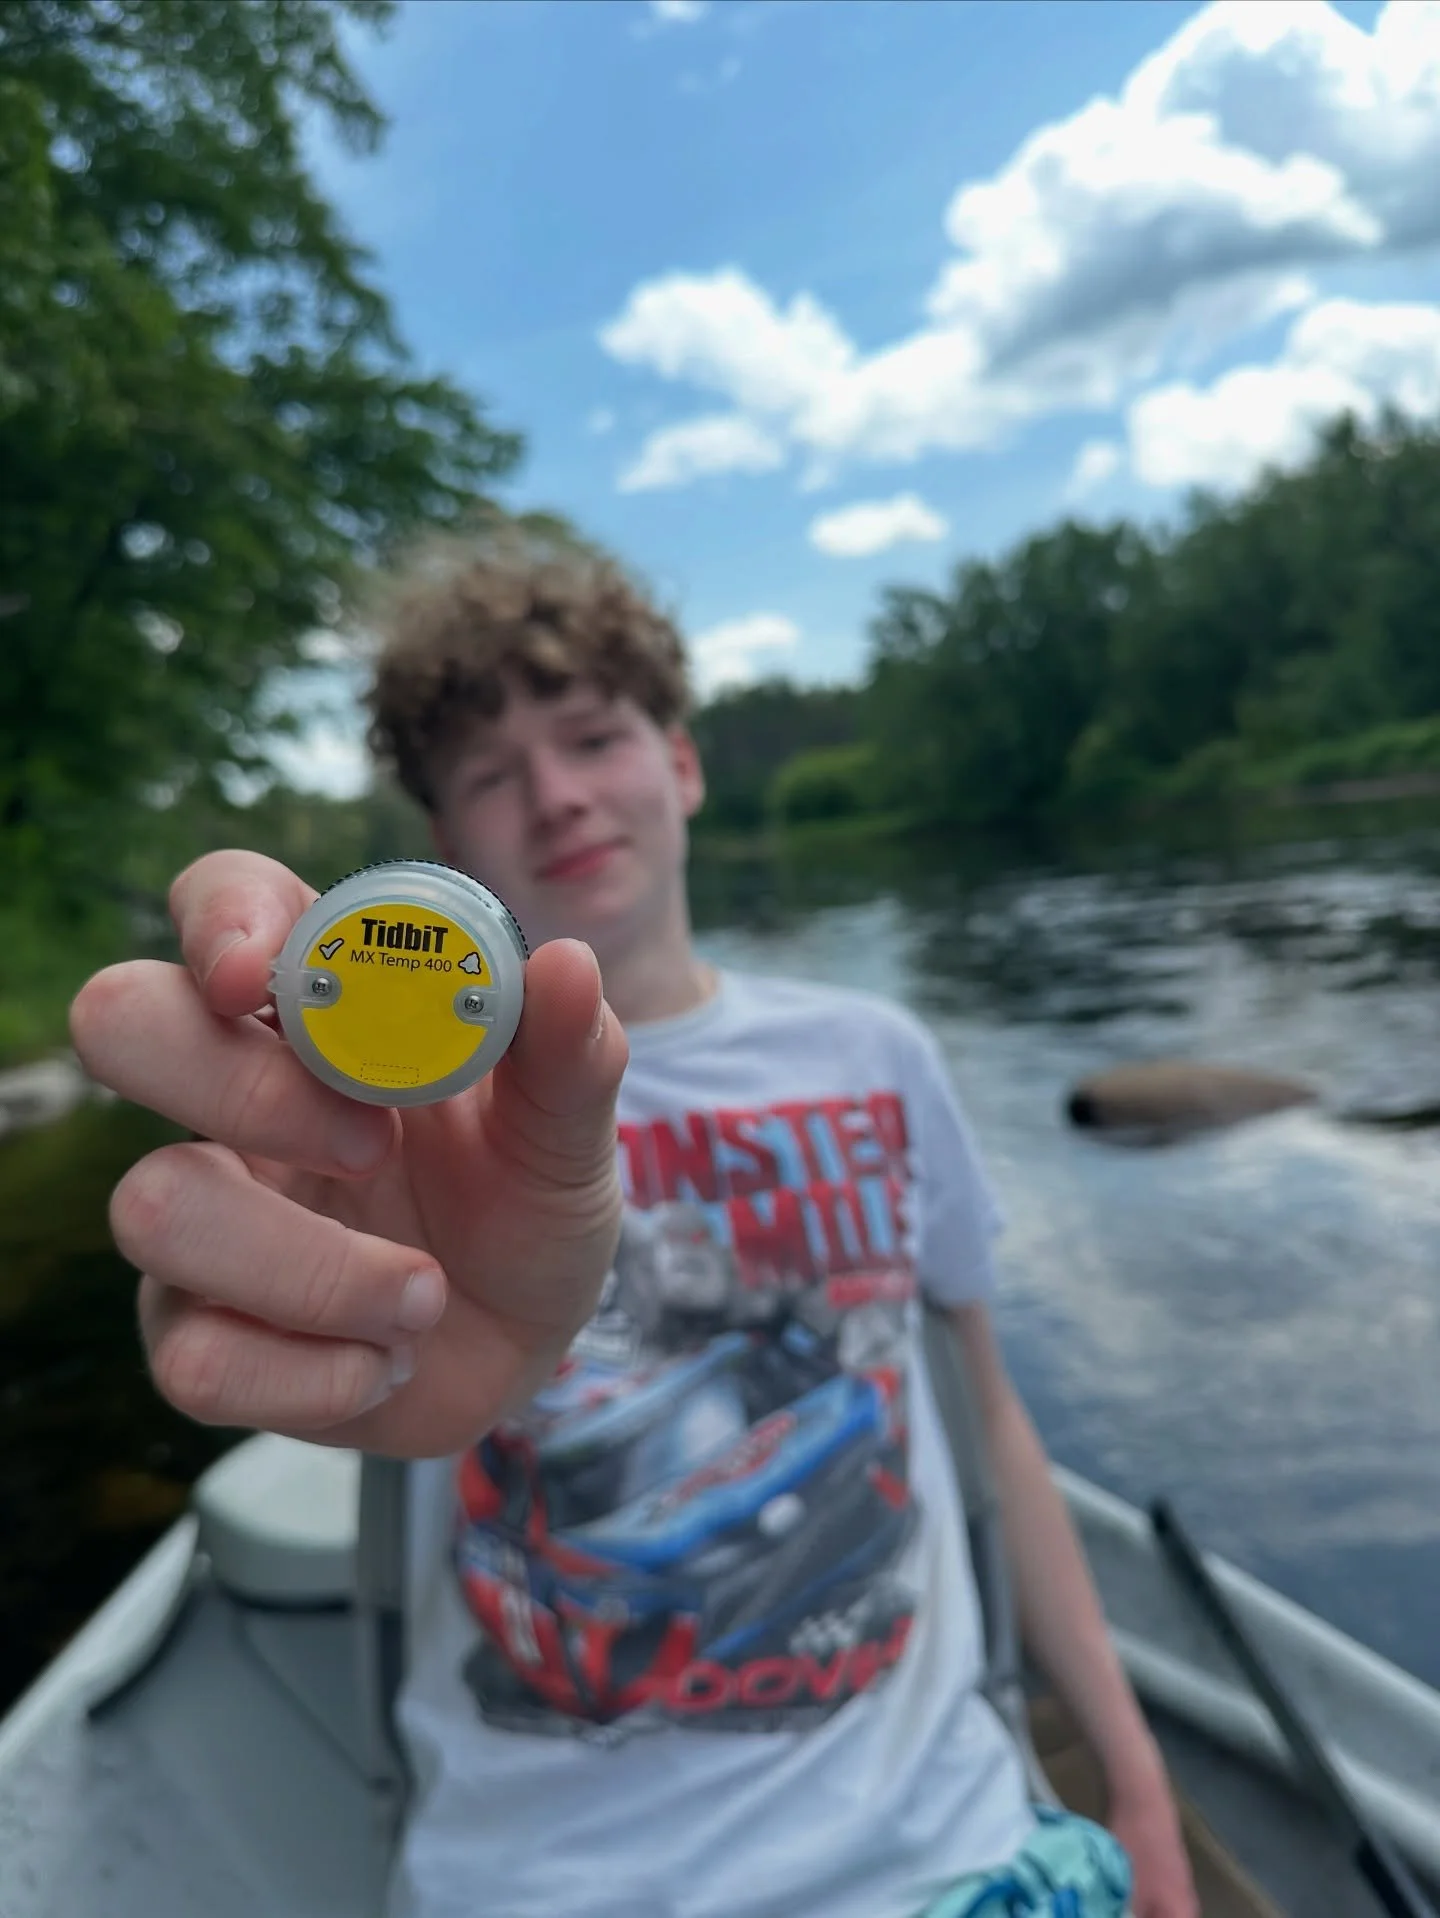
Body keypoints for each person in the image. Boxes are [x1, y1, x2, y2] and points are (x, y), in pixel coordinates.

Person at [70, 532, 1199, 1918]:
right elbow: (326, 1336)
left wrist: (1136, 1778)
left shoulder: (879, 1051)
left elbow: (990, 1422)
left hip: (948, 1860)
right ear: (442, 851)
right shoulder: (402, 1124)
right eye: (490, 771)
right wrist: (277, 1291)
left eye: (594, 735)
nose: (554, 796)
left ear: (681, 762)